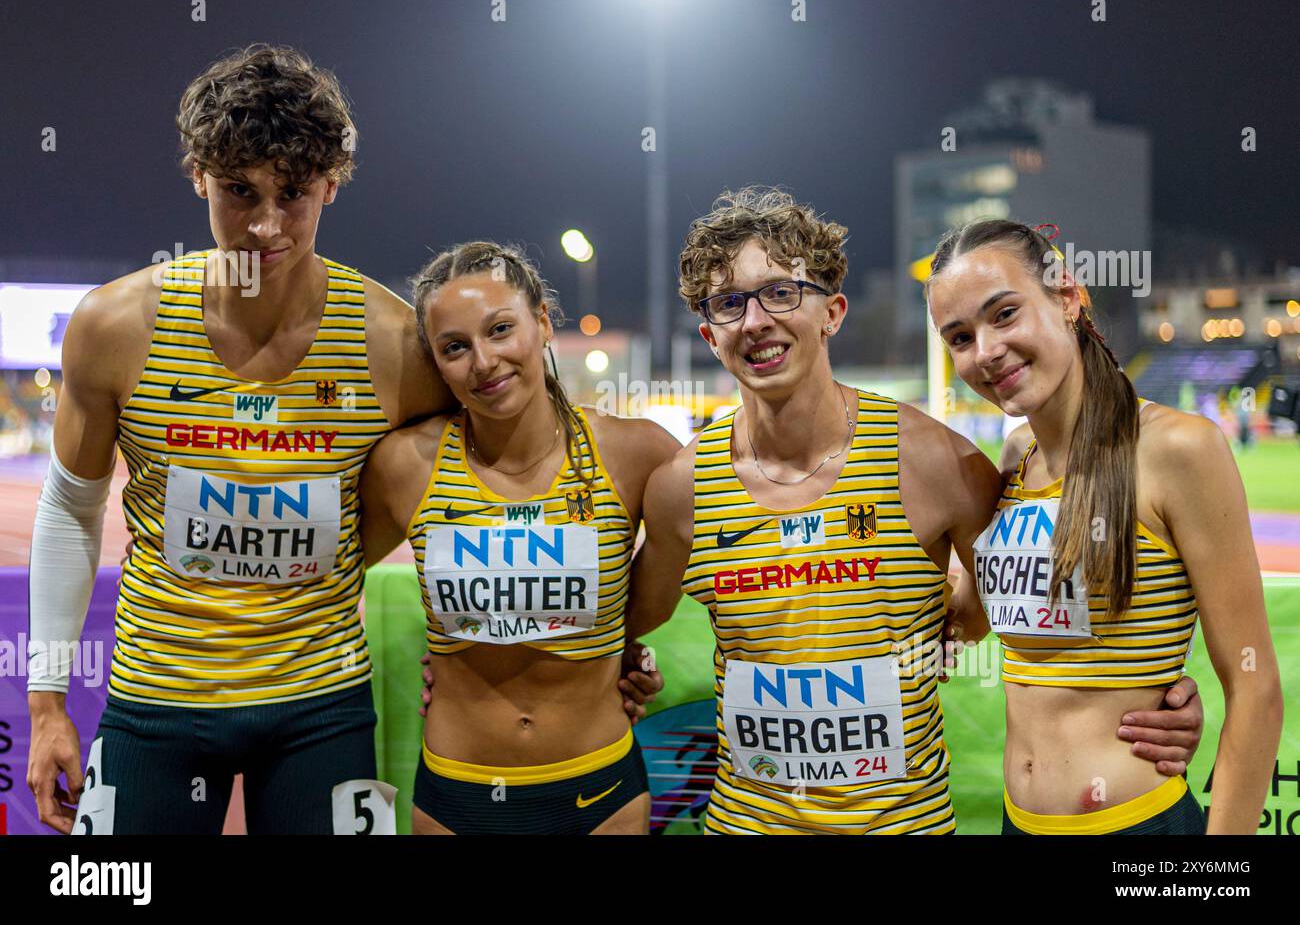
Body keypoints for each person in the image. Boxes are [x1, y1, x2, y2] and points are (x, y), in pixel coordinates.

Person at [629, 187, 1206, 834]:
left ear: (833, 312)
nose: (755, 319)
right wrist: (618, 671)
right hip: (745, 824)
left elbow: (1020, 603)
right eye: (729, 303)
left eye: (781, 292)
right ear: (709, 334)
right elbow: (620, 625)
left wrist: (1159, 694)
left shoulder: (936, 462)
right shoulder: (683, 487)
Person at [26, 44, 450, 834]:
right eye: (237, 190)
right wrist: (47, 703)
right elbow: (70, 507)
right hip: (157, 701)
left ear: (332, 181)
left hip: (321, 706)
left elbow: (481, 489)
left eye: (293, 193)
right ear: (197, 175)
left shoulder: (394, 342)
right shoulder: (115, 326)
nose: (264, 224)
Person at [927, 220, 1282, 834]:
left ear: (1067, 297)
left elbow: (1256, 691)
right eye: (960, 337)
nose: (984, 350)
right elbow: (971, 622)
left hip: (1139, 831)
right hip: (1020, 824)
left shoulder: (1178, 450)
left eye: (1004, 314)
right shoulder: (1013, 457)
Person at [359, 241, 680, 834]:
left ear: (543, 322)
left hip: (600, 786)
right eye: (455, 347)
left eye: (500, 329)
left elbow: (688, 589)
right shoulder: (403, 466)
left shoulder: (638, 453)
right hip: (458, 792)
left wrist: (625, 650)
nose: (483, 362)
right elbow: (326, 575)